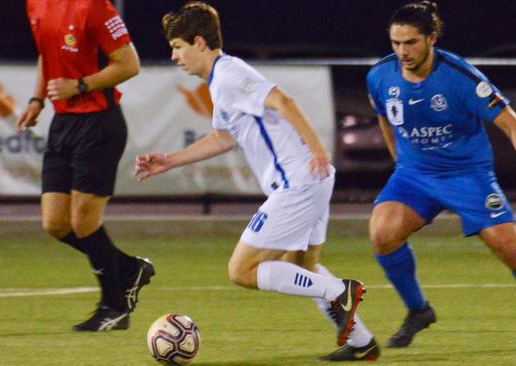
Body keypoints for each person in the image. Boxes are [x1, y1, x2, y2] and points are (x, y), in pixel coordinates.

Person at [134, 2, 377, 361]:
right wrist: (170, 161)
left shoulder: (230, 74)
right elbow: (223, 138)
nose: (173, 56)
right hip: (311, 180)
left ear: (199, 42)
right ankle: (362, 343)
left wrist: (317, 149)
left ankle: (339, 290)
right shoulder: (220, 81)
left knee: (242, 270)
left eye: (178, 47)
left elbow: (282, 100)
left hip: (298, 181)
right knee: (301, 269)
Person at [366, 1, 516, 349]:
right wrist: (400, 163)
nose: (402, 51)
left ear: (432, 39)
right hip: (414, 175)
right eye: (395, 43)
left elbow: (513, 126)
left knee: (511, 250)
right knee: (382, 233)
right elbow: (384, 116)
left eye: (410, 42)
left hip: (467, 175)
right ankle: (418, 311)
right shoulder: (380, 75)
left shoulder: (461, 78)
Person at [18, 0, 155, 332]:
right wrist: (37, 99)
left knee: (83, 222)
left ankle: (114, 307)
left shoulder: (94, 6)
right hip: (63, 124)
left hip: (99, 125)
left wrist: (80, 85)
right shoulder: (35, 4)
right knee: (55, 223)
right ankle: (128, 268)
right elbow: (46, 54)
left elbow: (129, 64)